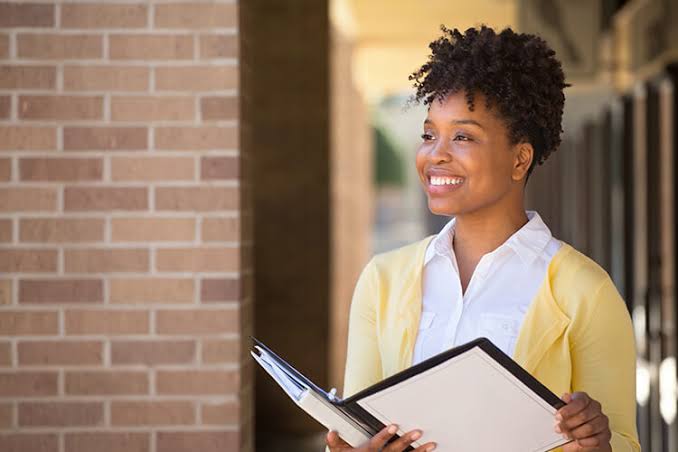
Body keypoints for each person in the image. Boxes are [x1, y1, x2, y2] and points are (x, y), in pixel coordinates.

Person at [326, 26, 639, 452]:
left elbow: (621, 443)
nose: (436, 153)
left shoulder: (586, 292)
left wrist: (597, 442)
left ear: (519, 158)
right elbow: (352, 434)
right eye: (428, 134)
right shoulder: (381, 281)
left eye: (463, 136)